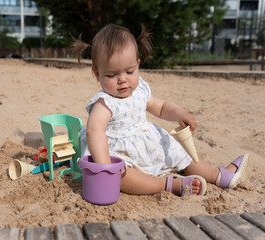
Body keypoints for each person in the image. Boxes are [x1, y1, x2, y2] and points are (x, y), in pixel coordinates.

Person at [71, 24, 251, 196]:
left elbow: (161, 106)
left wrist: (180, 114)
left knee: (180, 152)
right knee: (121, 174)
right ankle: (167, 184)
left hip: (146, 141)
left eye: (130, 71)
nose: (123, 80)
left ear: (138, 64)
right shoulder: (105, 102)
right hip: (116, 149)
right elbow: (95, 130)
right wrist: (105, 166)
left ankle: (218, 176)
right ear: (97, 73)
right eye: (112, 75)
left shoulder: (139, 89)